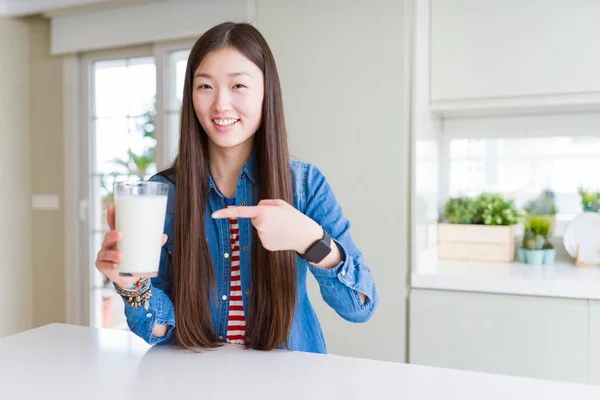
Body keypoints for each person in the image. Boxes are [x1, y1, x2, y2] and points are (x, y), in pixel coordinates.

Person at [95, 21, 377, 354]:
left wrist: (310, 241)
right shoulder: (164, 193)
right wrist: (132, 286)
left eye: (238, 86)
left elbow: (360, 305)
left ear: (265, 92)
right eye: (205, 87)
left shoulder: (303, 185)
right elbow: (160, 328)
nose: (221, 105)